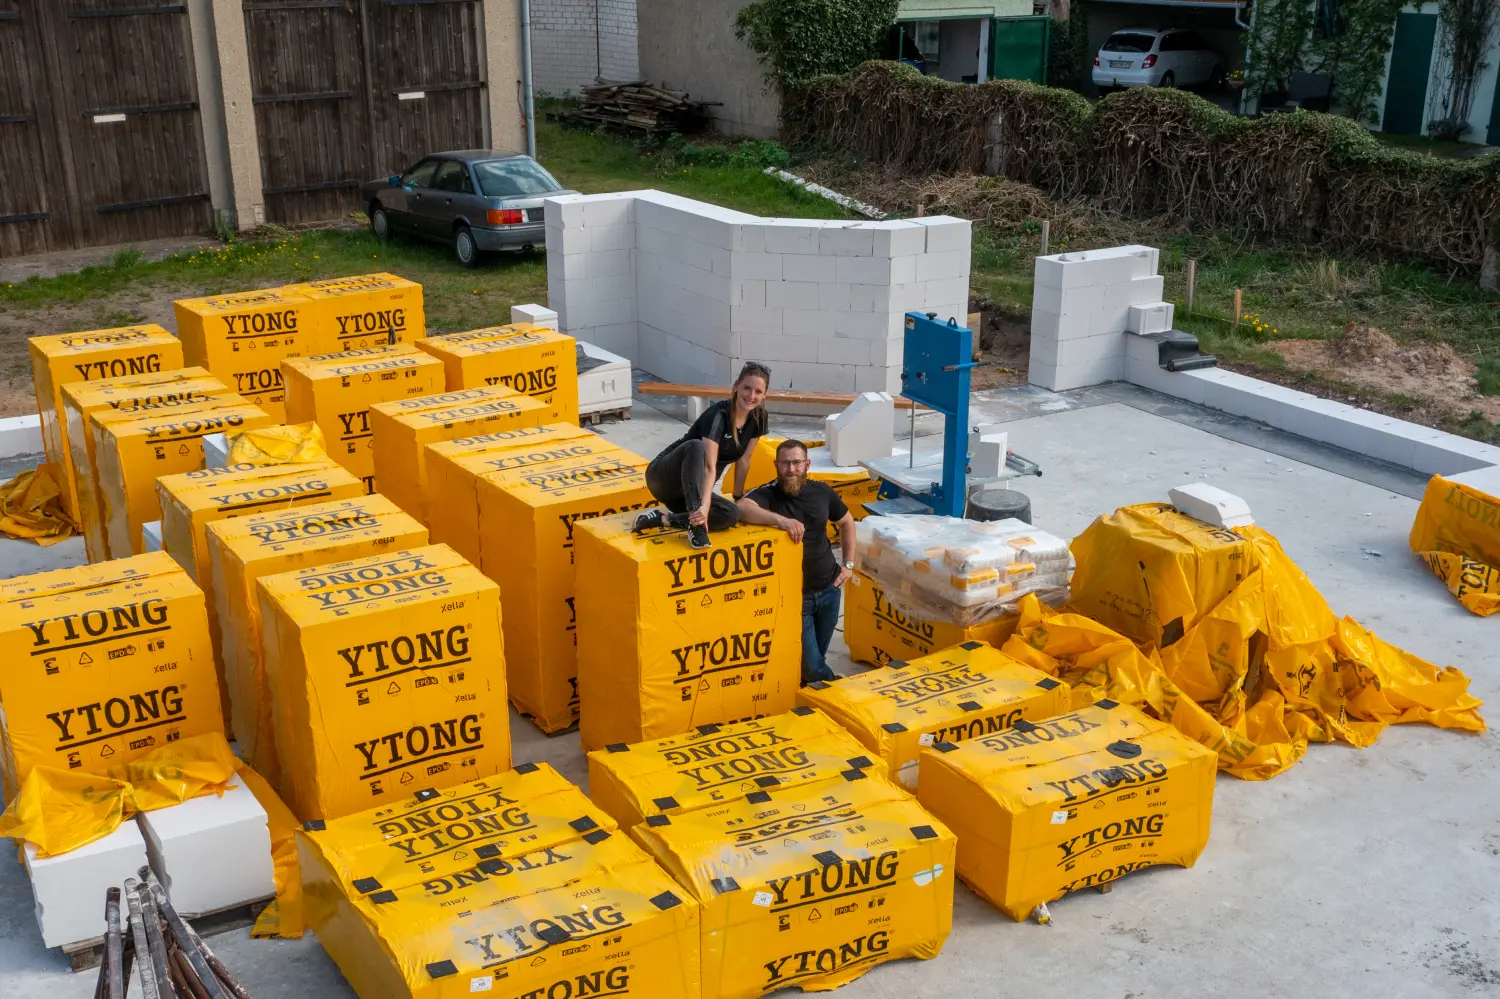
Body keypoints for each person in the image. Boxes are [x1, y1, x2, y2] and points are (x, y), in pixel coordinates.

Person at [736, 439, 857, 685]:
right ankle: (837, 689)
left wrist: (849, 565)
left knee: (816, 658)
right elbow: (741, 507)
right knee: (811, 665)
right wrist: (781, 521)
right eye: (785, 463)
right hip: (796, 597)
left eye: (796, 463)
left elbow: (847, 522)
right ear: (776, 465)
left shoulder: (822, 492)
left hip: (830, 588)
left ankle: (808, 696)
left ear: (807, 465)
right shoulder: (769, 494)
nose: (790, 469)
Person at [633, 361, 770, 549]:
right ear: (737, 386)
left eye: (758, 392)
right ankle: (697, 528)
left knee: (731, 514)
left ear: (764, 395)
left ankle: (662, 519)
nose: (751, 396)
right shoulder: (718, 414)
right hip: (664, 478)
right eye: (747, 388)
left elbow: (744, 459)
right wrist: (703, 507)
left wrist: (738, 497)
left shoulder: (759, 417)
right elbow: (709, 467)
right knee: (696, 446)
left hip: (689, 494)